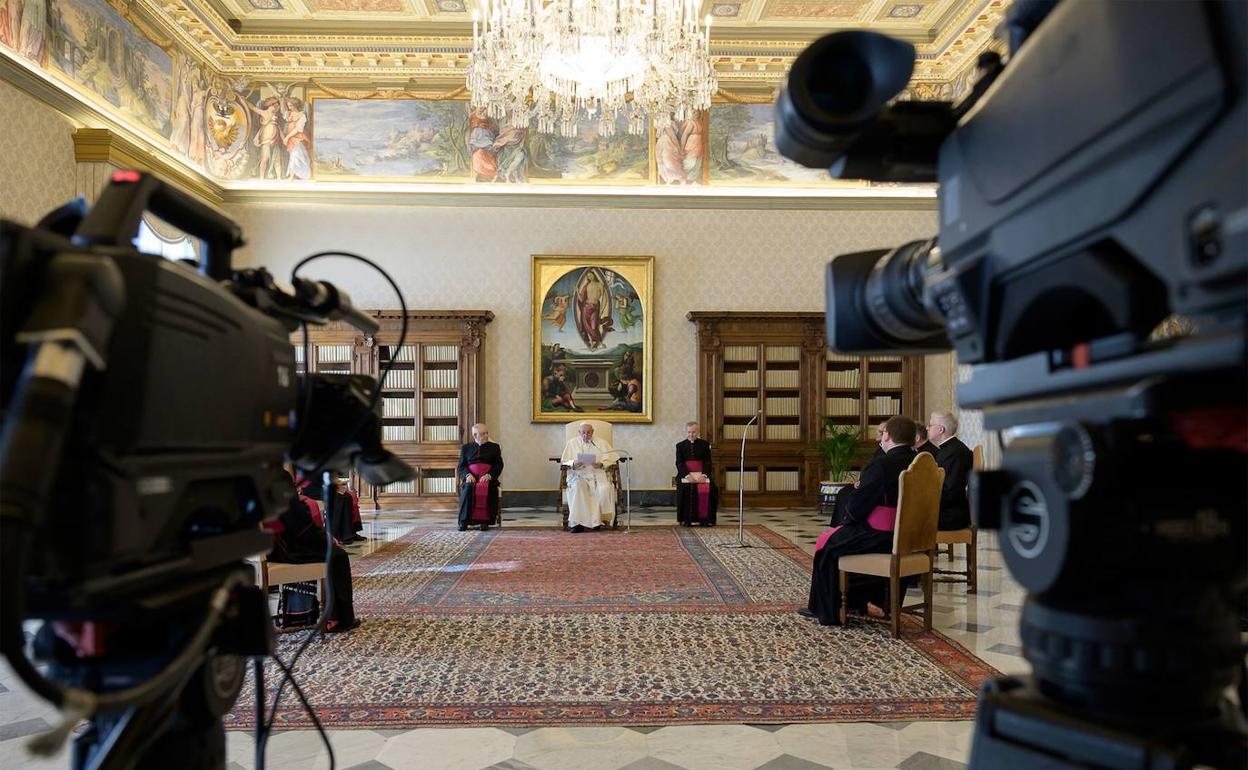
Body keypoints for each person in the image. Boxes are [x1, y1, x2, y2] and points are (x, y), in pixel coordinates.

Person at [801, 415, 918, 626]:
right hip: (912, 537)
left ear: (888, 436)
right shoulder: (923, 462)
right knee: (837, 541)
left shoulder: (882, 464)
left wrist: (848, 519)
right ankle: (858, 602)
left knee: (828, 548)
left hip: (880, 535)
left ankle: (829, 610)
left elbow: (858, 504)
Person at [269, 468, 359, 633]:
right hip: (288, 550)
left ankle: (298, 615)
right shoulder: (279, 478)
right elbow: (304, 529)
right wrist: (328, 539)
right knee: (338, 555)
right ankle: (338, 619)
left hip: (270, 549)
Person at [560, 422, 617, 532]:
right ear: (579, 432)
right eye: (583, 433)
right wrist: (573, 463)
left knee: (602, 489)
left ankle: (596, 522)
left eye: (589, 433)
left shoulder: (601, 443)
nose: (586, 435)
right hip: (579, 475)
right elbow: (564, 461)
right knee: (578, 488)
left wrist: (601, 464)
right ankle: (577, 524)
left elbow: (611, 458)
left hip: (597, 474)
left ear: (593, 432)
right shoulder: (572, 443)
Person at [928, 411, 974, 530]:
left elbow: (950, 491)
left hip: (951, 515)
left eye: (930, 425)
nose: (927, 428)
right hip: (949, 510)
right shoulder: (949, 449)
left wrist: (925, 503)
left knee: (909, 519)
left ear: (940, 429)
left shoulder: (954, 453)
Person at [457, 423, 503, 531]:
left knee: (488, 489)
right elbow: (461, 467)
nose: (486, 435)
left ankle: (485, 521)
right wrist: (467, 475)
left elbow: (499, 465)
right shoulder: (466, 448)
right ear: (474, 435)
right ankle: (464, 521)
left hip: (487, 478)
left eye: (487, 433)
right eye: (483, 434)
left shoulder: (494, 447)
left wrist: (489, 475)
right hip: (471, 478)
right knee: (468, 489)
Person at [675, 421, 717, 526]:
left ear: (698, 432)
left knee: (712, 489)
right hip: (686, 475)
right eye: (689, 432)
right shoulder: (680, 446)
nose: (691, 434)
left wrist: (704, 475)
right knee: (684, 489)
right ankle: (686, 519)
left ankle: (705, 520)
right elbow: (679, 463)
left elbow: (708, 462)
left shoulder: (705, 444)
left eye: (693, 432)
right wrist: (687, 475)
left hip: (702, 474)